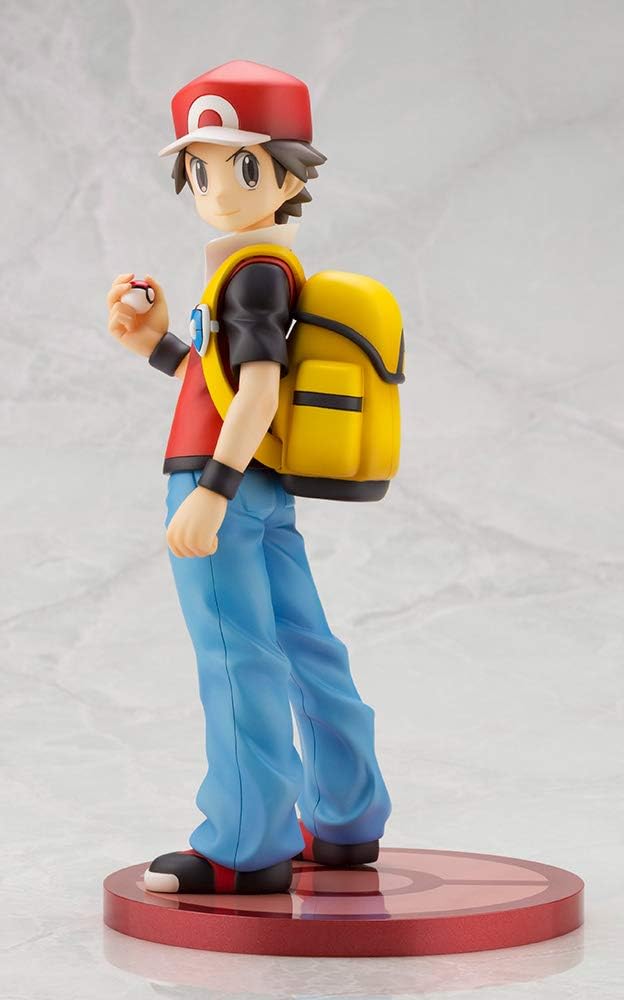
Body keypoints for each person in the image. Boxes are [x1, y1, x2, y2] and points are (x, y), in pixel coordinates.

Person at [105, 60, 392, 894]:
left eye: (242, 166)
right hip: (260, 486)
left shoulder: (251, 274)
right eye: (200, 171)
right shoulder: (263, 268)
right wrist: (156, 345)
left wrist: (210, 491)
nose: (218, 188)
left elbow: (259, 391)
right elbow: (221, 382)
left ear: (288, 175)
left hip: (222, 483)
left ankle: (244, 845)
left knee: (236, 659)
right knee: (306, 647)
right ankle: (346, 820)